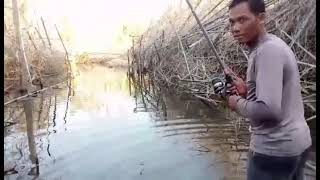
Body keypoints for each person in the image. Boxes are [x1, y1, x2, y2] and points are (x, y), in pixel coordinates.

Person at [225, 0, 312, 179]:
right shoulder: (271, 45)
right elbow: (275, 96)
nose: (235, 28)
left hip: (274, 152)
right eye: (232, 22)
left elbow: (269, 110)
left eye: (242, 20)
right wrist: (246, 90)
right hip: (297, 145)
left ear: (262, 18)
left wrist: (237, 103)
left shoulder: (267, 51)